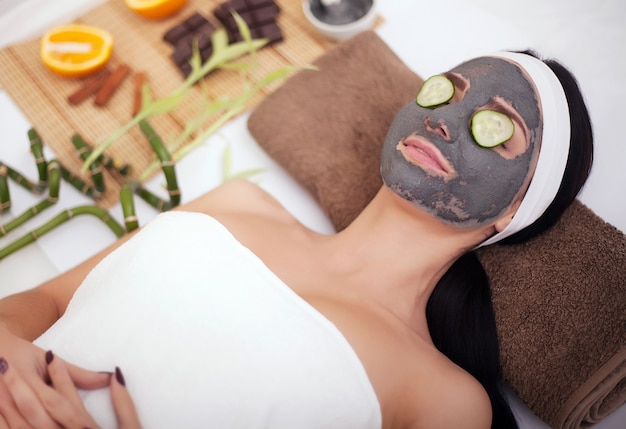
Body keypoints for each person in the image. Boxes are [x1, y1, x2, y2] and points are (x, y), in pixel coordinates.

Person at [0, 50, 593, 429]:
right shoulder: (237, 203)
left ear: (517, 210)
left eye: (498, 129)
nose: (445, 118)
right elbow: (48, 302)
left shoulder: (444, 400)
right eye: (447, 90)